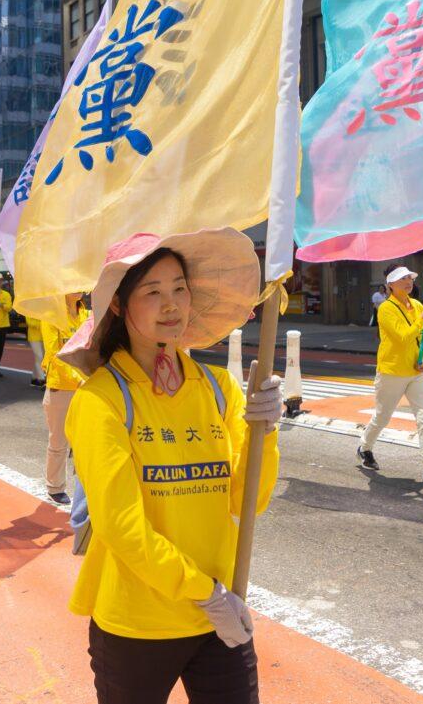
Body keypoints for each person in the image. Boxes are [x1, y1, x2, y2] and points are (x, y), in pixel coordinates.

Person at [60, 228, 283, 704]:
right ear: (119, 304)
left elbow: (250, 500)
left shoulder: (219, 386)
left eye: (180, 288)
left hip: (219, 617)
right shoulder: (100, 399)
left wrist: (267, 431)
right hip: (139, 625)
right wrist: (203, 592)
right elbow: (122, 528)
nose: (172, 305)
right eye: (153, 292)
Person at [357, 266, 423, 486]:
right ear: (390, 285)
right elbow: (402, 336)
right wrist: (421, 320)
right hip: (392, 372)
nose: (408, 281)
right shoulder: (385, 309)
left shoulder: (418, 305)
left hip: (416, 373)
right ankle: (365, 447)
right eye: (402, 278)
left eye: (410, 277)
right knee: (382, 416)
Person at [39, 294, 89, 504]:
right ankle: (55, 486)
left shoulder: (85, 314)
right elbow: (55, 354)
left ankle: (85, 485)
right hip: (62, 386)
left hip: (86, 385)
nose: (79, 288)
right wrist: (77, 379)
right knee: (59, 441)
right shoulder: (51, 315)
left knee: (85, 441)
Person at [26, 314, 46, 388]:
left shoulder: (43, 309)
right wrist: (42, 322)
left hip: (43, 336)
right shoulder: (29, 309)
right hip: (33, 337)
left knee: (40, 358)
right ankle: (41, 379)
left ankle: (34, 379)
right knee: (39, 357)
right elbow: (30, 323)